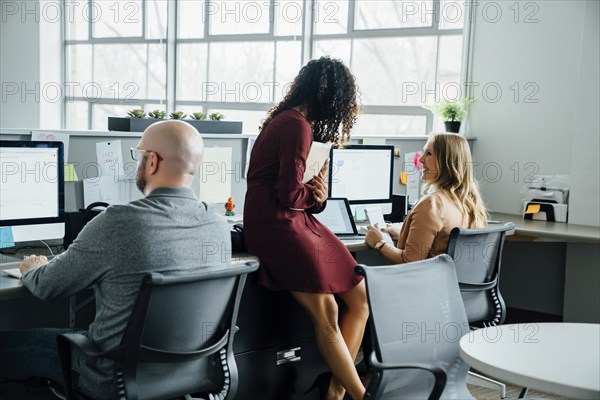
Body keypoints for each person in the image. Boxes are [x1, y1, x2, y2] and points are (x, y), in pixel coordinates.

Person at [0, 120, 231, 399]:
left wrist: (32, 269)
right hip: (188, 374)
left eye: (139, 155)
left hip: (109, 374)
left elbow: (49, 286)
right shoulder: (218, 224)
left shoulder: (119, 222)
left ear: (153, 162)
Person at [243, 56, 368, 400]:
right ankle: (360, 396)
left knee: (359, 298)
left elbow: (293, 190)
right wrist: (316, 199)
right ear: (328, 93)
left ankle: (335, 390)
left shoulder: (289, 121)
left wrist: (317, 195)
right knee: (328, 309)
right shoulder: (296, 125)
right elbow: (287, 193)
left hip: (291, 218)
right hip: (277, 223)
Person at [366, 132, 488, 263]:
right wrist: (403, 234)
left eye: (429, 154)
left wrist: (379, 243)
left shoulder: (431, 204)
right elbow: (440, 241)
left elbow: (409, 262)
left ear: (447, 162)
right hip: (454, 282)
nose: (420, 159)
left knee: (353, 279)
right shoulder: (470, 205)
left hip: (423, 282)